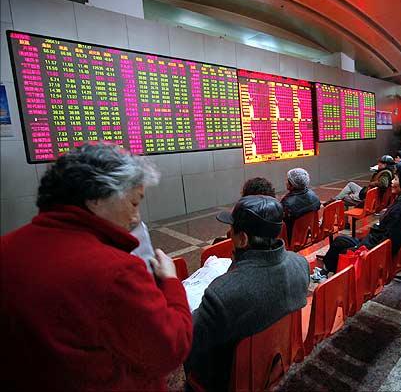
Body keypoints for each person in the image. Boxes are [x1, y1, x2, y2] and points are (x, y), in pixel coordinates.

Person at [0, 143, 193, 391]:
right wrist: (170, 281)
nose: (136, 218)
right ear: (95, 198)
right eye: (133, 203)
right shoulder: (115, 271)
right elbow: (170, 349)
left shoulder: (6, 248)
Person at [184, 195, 310, 391]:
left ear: (242, 239)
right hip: (275, 358)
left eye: (232, 230)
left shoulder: (222, 294)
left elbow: (189, 338)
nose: (228, 233)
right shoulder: (300, 264)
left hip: (230, 379)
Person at [312, 163, 401, 280]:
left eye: (395, 179)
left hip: (371, 250)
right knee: (339, 240)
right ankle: (324, 272)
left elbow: (389, 243)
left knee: (343, 251)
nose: (392, 182)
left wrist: (361, 247)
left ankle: (336, 280)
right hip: (372, 242)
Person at [327, 155, 396, 209]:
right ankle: (335, 199)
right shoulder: (385, 171)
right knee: (351, 184)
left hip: (367, 197)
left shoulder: (386, 173)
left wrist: (372, 183)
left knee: (343, 200)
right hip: (366, 192)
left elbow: (384, 184)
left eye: (381, 162)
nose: (378, 164)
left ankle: (345, 223)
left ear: (386, 164)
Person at [280, 168, 320, 241]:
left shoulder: (287, 203)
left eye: (287, 180)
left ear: (292, 185)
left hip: (290, 238)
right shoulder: (313, 195)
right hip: (305, 234)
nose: (285, 182)